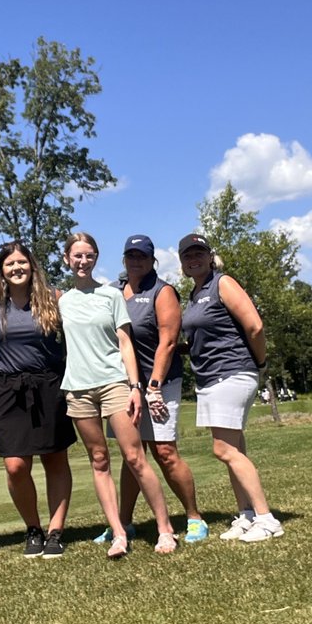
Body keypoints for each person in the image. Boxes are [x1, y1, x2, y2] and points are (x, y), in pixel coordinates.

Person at [58, 232, 177, 557]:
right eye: (77, 256)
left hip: (114, 384)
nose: (83, 261)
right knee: (98, 461)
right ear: (67, 259)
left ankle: (165, 529)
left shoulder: (111, 295)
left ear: (96, 258)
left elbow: (126, 343)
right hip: (78, 390)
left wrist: (135, 387)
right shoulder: (61, 301)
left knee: (135, 457)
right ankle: (119, 534)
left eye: (89, 255)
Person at [96, 234, 207, 545]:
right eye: (131, 255)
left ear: (152, 260)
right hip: (124, 385)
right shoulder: (115, 292)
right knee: (132, 454)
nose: (136, 260)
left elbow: (168, 341)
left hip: (160, 383)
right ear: (123, 259)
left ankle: (194, 517)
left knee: (165, 452)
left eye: (142, 256)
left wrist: (154, 386)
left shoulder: (162, 291)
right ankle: (125, 523)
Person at [178, 233, 283, 543]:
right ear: (182, 262)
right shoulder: (195, 294)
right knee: (234, 448)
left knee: (222, 449)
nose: (193, 258)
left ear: (211, 256)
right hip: (211, 376)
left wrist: (260, 363)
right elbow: (201, 339)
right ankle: (247, 515)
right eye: (187, 255)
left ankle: (266, 518)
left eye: (199, 252)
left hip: (233, 371)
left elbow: (255, 326)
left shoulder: (223, 283)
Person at [0, 241, 75, 559]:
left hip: (48, 383)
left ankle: (56, 531)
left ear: (32, 266)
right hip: (7, 388)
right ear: (1, 270)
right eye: (10, 264)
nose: (17, 268)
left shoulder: (54, 298)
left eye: (22, 262)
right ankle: (33, 528)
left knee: (54, 459)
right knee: (16, 465)